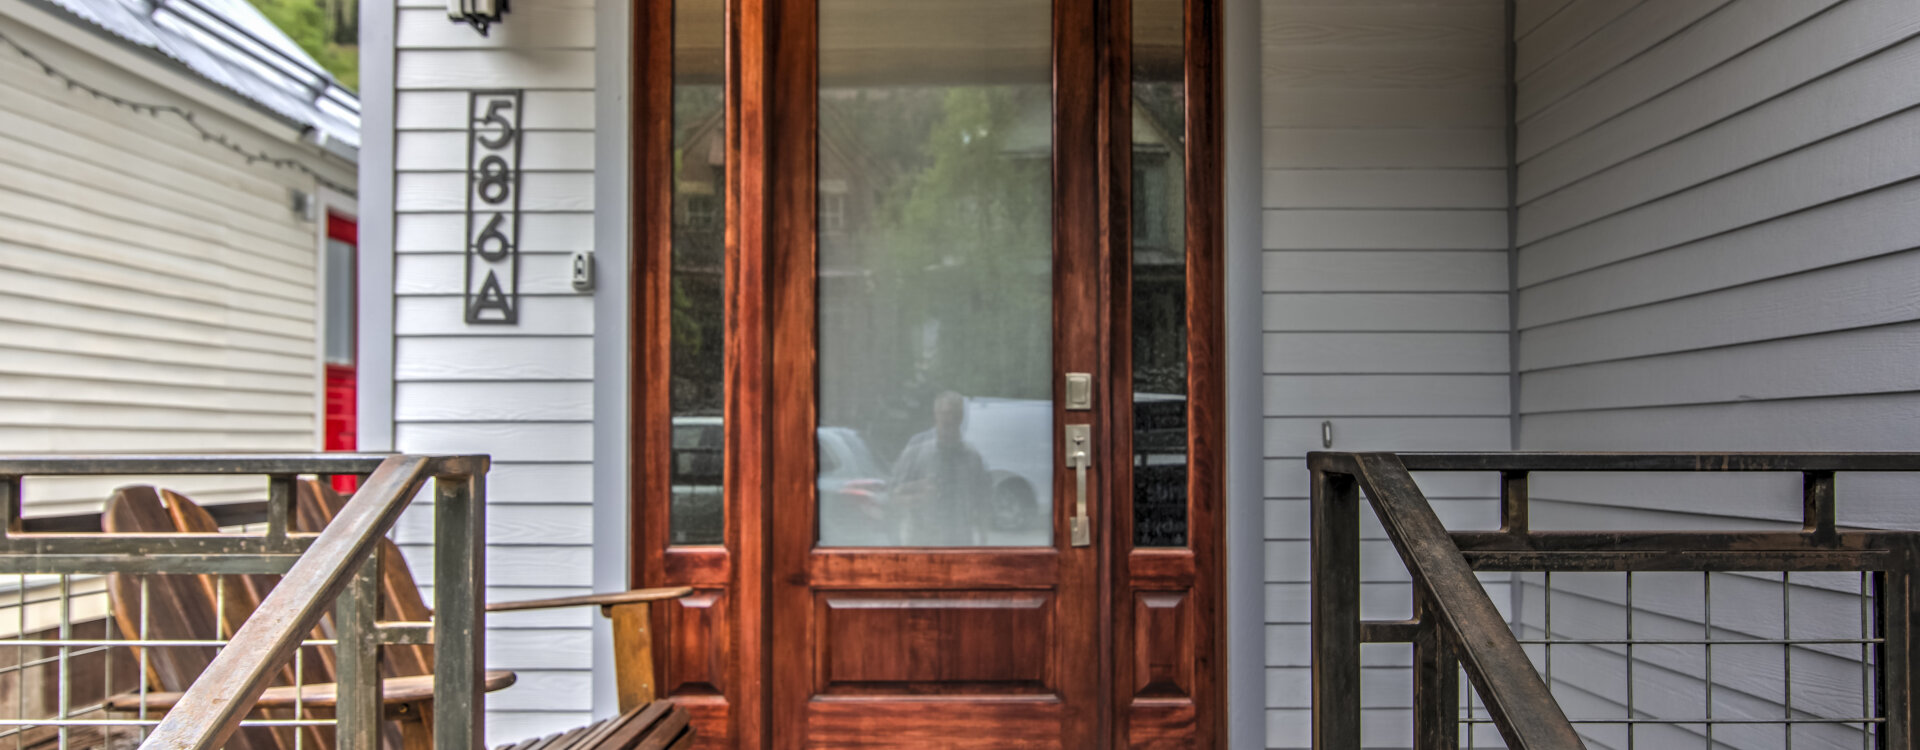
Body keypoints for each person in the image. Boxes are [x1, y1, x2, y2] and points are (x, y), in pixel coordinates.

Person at [888, 391, 993, 545]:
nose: (950, 419)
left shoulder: (972, 457)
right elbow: (893, 495)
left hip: (961, 544)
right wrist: (919, 495)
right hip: (923, 543)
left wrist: (983, 543)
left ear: (962, 417)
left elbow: (983, 503)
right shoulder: (917, 449)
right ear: (936, 414)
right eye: (946, 413)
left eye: (956, 414)